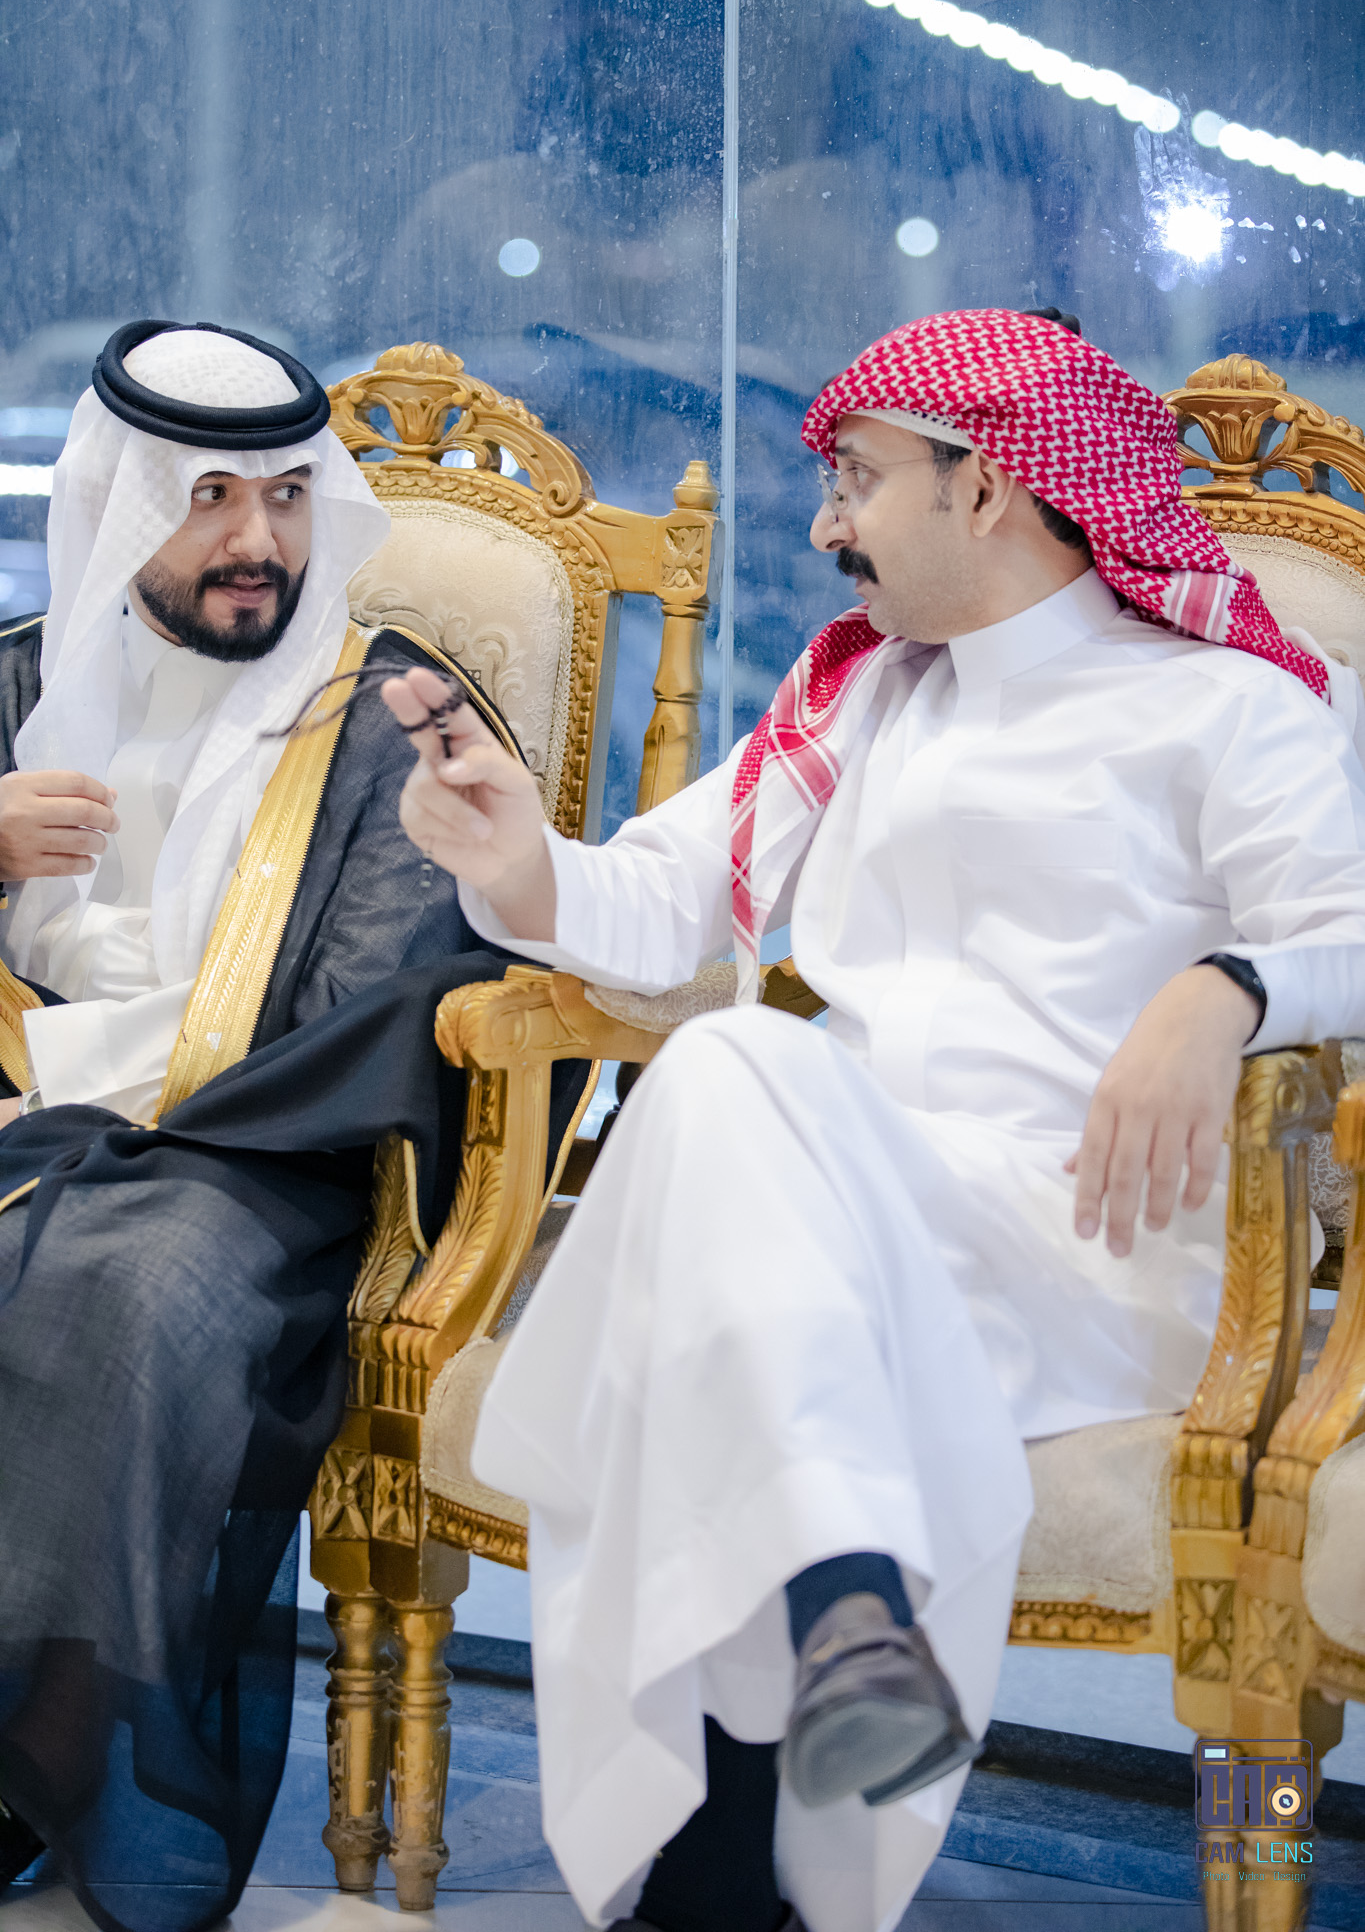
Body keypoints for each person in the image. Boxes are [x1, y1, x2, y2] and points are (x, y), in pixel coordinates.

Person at [383, 306, 1365, 1932]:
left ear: (984, 485)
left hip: (1076, 1244)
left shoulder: (1230, 705)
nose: (826, 524)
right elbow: (653, 905)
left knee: (723, 1108)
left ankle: (730, 1833)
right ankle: (838, 1638)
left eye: (854, 478)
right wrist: (509, 856)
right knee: (731, 1082)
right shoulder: (857, 699)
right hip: (831, 1219)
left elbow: (1351, 930)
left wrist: (1223, 988)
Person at [0, 321, 588, 1932]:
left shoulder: (389, 713)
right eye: (208, 501)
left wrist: (81, 1083)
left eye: (282, 496)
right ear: (125, 505)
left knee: (123, 1293)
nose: (257, 540)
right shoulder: (18, 681)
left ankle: (53, 1770)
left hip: (253, 1161)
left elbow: (368, 1011)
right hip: (29, 1131)